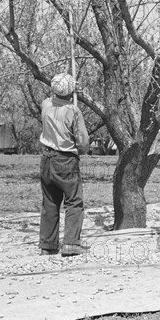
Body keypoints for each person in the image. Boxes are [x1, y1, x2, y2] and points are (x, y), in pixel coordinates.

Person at [39, 72, 90, 257]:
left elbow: (53, 98)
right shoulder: (73, 111)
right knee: (74, 201)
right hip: (65, 160)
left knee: (50, 202)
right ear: (70, 92)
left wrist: (68, 90)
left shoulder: (45, 105)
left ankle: (47, 245)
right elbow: (83, 142)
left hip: (46, 159)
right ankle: (70, 244)